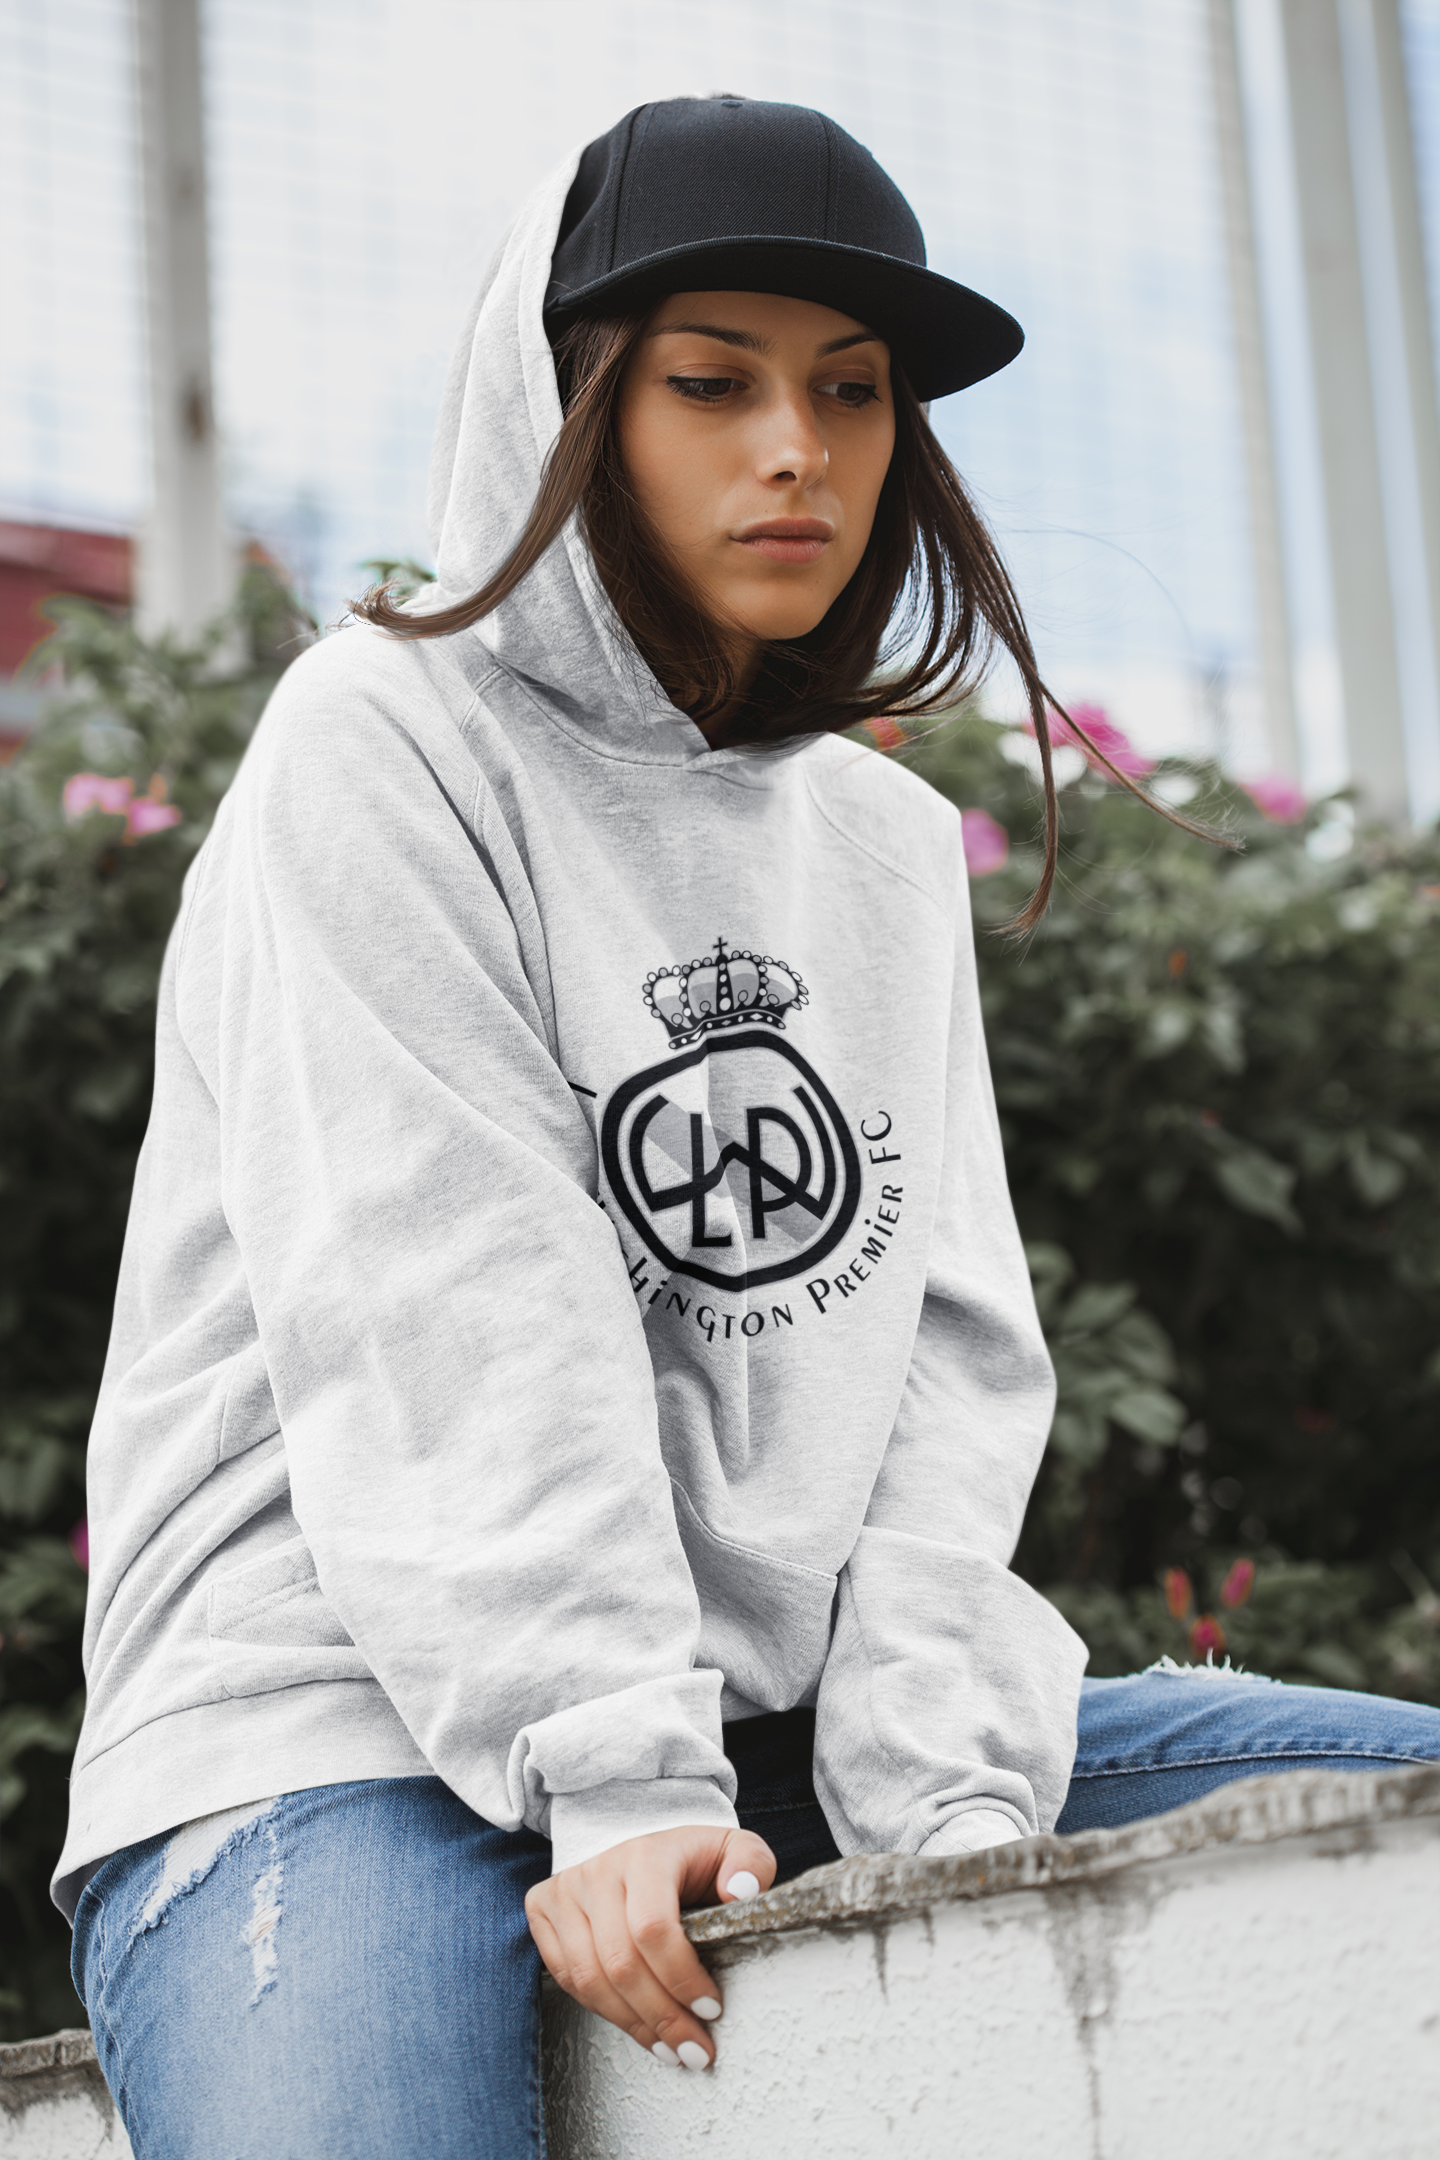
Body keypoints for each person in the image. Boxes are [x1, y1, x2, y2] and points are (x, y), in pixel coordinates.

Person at [59, 97, 1438, 2160]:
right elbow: (449, 1300)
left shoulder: (879, 846)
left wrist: (950, 1807)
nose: (796, 448)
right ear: (568, 406)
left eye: (854, 392)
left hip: (768, 1737)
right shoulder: (381, 746)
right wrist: (615, 1775)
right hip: (321, 1737)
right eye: (711, 383)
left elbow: (945, 1366)